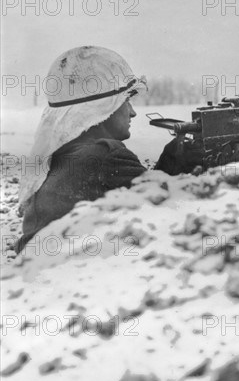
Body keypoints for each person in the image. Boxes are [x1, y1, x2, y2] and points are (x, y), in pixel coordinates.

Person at [16, 46, 148, 253]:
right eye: (126, 101)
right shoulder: (106, 155)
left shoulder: (57, 157)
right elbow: (165, 202)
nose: (132, 113)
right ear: (104, 108)